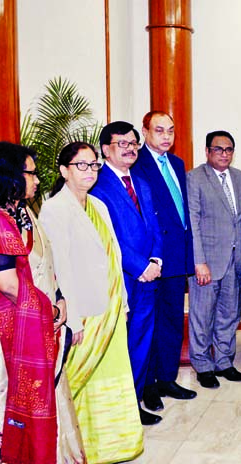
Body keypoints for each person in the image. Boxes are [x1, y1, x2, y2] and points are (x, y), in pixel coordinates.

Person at [0, 142, 92, 464]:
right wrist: (49, 310)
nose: (38, 180)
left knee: (49, 392)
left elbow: (42, 264)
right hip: (6, 326)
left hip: (33, 318)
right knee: (8, 396)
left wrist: (59, 296)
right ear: (9, 177)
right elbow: (6, 281)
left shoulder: (22, 213)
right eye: (31, 173)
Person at [39, 142, 145, 464]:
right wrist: (73, 321)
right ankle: (81, 451)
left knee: (110, 379)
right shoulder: (54, 210)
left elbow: (112, 256)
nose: (89, 171)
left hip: (110, 306)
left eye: (93, 165)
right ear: (64, 170)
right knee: (80, 381)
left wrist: (123, 302)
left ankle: (110, 445)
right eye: (81, 165)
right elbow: (61, 268)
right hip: (82, 311)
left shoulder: (98, 205)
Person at [90, 121, 164, 425]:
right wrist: (138, 266)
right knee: (120, 346)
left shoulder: (141, 182)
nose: (131, 148)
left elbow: (155, 227)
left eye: (134, 143)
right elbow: (108, 235)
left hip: (149, 277)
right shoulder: (97, 185)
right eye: (123, 143)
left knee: (141, 342)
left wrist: (156, 260)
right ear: (106, 149)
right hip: (121, 278)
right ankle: (118, 411)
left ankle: (133, 405)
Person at [131, 111, 196, 411]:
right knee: (151, 322)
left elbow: (182, 213)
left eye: (170, 130)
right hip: (153, 258)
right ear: (145, 132)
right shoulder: (137, 163)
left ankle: (168, 377)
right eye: (159, 130)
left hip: (177, 253)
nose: (166, 136)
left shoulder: (178, 163)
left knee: (171, 319)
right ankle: (149, 385)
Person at [186, 130, 241, 388]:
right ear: (207, 151)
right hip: (207, 263)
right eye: (218, 149)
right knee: (202, 316)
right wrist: (198, 261)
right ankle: (202, 365)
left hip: (234, 261)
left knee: (229, 315)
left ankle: (224, 361)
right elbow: (193, 221)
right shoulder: (194, 178)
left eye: (228, 149)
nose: (224, 154)